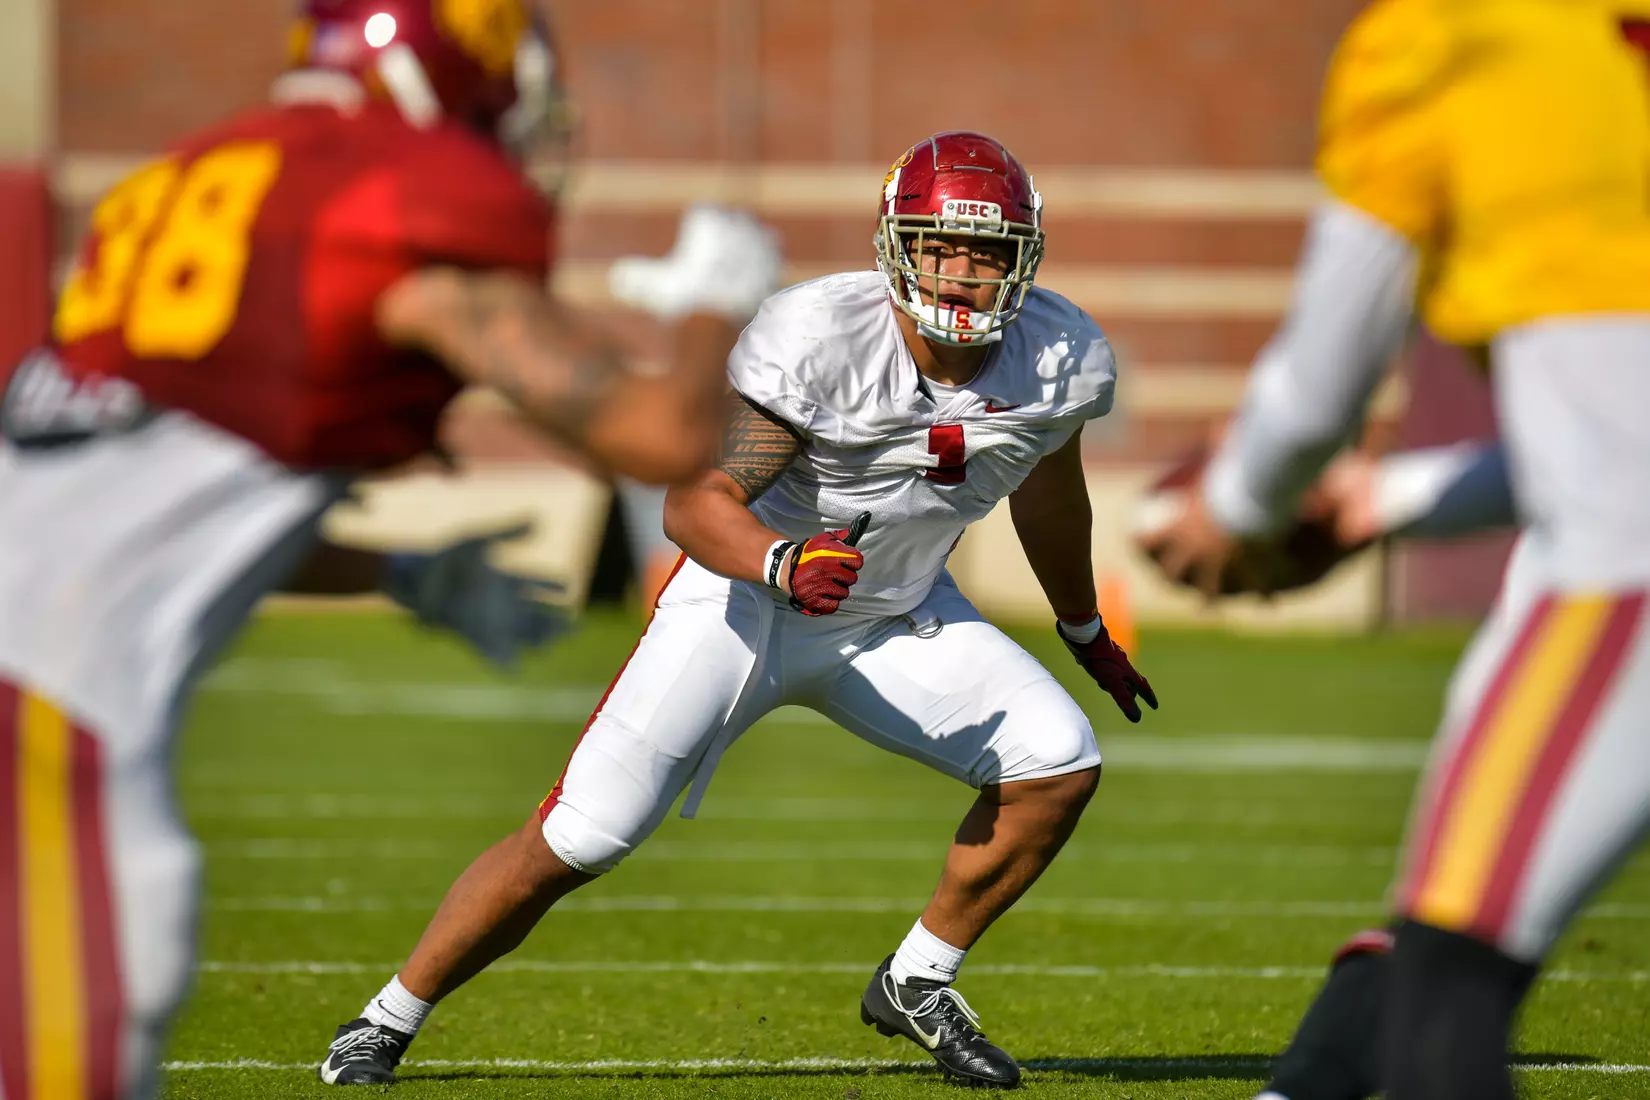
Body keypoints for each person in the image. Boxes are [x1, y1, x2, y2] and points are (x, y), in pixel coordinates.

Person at [0, 2, 780, 1096]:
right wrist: (719, 300)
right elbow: (656, 437)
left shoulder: (175, 186)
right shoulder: (402, 190)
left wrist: (397, 571)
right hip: (43, 741)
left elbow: (127, 507)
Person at [319, 129, 1157, 1090]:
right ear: (897, 247)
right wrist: (781, 560)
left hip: (892, 614)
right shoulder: (819, 337)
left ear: (1024, 258)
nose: (964, 273)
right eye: (941, 247)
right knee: (581, 836)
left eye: (988, 251)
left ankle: (918, 980)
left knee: (1058, 760)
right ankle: (385, 1019)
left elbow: (1051, 497)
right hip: (742, 604)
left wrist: (1084, 627)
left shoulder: (1058, 357)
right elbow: (692, 503)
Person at [1139, 0, 1650, 1096]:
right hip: (1606, 531)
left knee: (1447, 986)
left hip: (1624, 577)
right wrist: (1388, 501)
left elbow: (1320, 382)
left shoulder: (1446, 37)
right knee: (1441, 938)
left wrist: (1236, 505)